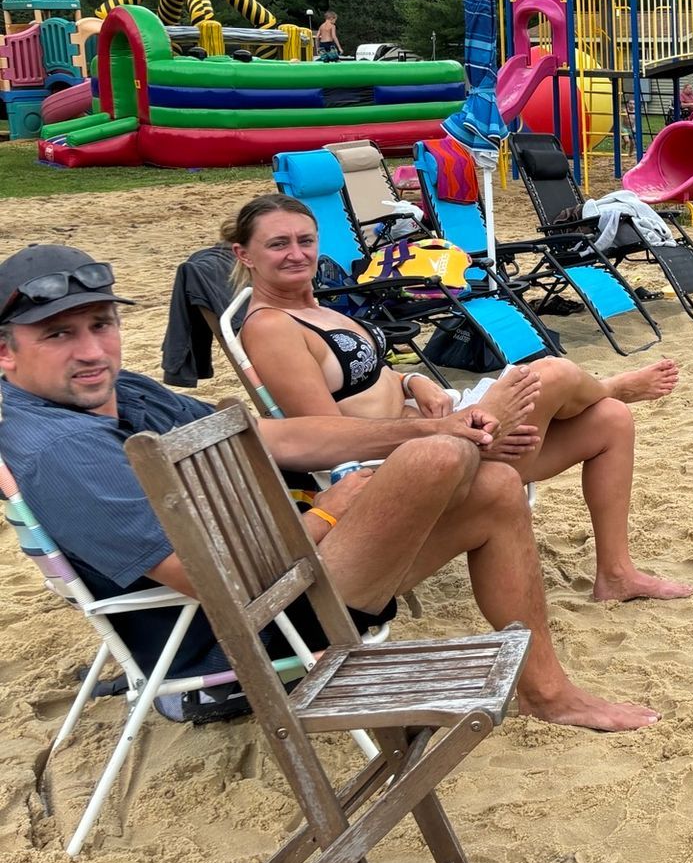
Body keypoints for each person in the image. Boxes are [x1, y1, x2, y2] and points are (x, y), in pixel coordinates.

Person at [0, 245, 658, 731]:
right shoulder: (60, 452)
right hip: (251, 622)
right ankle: (499, 422)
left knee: (492, 488)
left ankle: (547, 692)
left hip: (290, 559)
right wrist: (330, 517)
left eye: (99, 325)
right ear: (6, 353)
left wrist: (416, 435)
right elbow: (216, 583)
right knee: (442, 458)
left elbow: (271, 440)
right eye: (58, 334)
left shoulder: (125, 394)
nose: (92, 350)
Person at [226, 195, 690, 606]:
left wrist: (413, 384)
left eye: (304, 240)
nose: (296, 254)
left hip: (443, 420)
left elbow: (368, 378)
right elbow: (326, 436)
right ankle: (612, 384)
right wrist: (435, 430)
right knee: (553, 372)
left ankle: (615, 574)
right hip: (411, 462)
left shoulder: (315, 308)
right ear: (244, 254)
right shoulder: (271, 327)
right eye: (278, 244)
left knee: (609, 422)